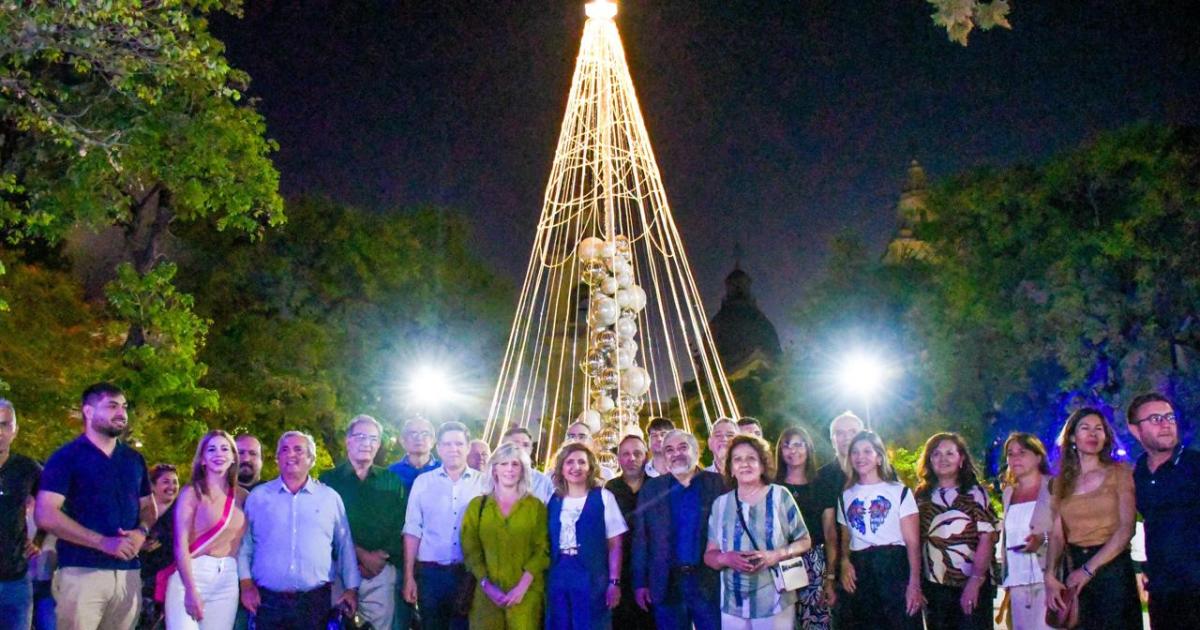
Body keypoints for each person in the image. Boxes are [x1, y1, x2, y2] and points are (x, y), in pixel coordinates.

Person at [35, 383, 156, 630]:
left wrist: (141, 531)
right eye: (112, 406)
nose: (121, 413)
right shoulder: (66, 457)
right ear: (88, 412)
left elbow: (148, 507)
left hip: (128, 574)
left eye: (124, 407)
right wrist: (103, 542)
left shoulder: (133, 460)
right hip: (82, 571)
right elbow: (45, 514)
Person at [237, 431, 359, 629]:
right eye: (284, 450)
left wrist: (352, 589)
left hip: (315, 603)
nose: (290, 454)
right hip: (267, 602)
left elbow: (344, 545)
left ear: (311, 459)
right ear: (277, 459)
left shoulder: (329, 498)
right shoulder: (258, 498)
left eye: (298, 450)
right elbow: (245, 547)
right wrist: (246, 585)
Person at [1043, 408, 1139, 630]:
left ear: (1106, 437)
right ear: (1072, 437)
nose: (1092, 434)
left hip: (1111, 567)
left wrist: (1088, 570)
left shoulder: (1119, 472)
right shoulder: (1060, 483)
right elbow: (1057, 535)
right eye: (1085, 428)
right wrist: (1050, 576)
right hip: (1074, 566)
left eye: (1098, 429)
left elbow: (1126, 529)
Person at [705, 435, 811, 629]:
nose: (744, 464)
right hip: (733, 604)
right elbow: (709, 555)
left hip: (775, 600)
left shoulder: (780, 496)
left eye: (751, 458)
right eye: (737, 459)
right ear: (730, 468)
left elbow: (804, 540)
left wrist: (776, 555)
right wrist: (725, 559)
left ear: (762, 465)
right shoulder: (720, 504)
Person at [319, 415, 407, 630]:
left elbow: (401, 523)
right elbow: (323, 527)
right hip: (338, 571)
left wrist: (378, 557)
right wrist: (359, 557)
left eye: (373, 438)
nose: (367, 443)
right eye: (360, 437)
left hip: (379, 571)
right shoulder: (328, 481)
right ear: (348, 440)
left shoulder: (391, 481)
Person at [631, 430, 725, 630]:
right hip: (666, 583)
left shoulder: (718, 484)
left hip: (708, 582)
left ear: (696, 451)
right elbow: (641, 538)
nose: (676, 454)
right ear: (664, 457)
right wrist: (640, 582)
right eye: (669, 450)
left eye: (683, 447)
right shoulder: (651, 489)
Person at [1127, 392, 1200, 629]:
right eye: (1155, 419)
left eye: (1169, 417)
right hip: (1163, 593)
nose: (1166, 424)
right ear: (1135, 430)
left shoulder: (1194, 465)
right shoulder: (1138, 473)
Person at [835, 430, 922, 629]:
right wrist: (845, 561)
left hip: (893, 567)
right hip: (861, 570)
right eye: (855, 452)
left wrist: (914, 583)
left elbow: (913, 543)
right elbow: (845, 537)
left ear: (879, 457)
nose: (860, 457)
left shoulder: (899, 492)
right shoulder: (845, 495)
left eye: (867, 451)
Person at [460, 442, 549, 629]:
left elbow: (543, 549)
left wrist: (522, 587)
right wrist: (486, 585)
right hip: (486, 594)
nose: (509, 469)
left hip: (526, 594)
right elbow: (470, 548)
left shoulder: (536, 506)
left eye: (515, 464)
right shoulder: (478, 506)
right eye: (503, 463)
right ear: (494, 469)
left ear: (523, 470)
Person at [402, 421, 481, 630]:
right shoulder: (423, 483)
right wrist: (409, 576)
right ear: (438, 448)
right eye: (446, 444)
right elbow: (412, 529)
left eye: (458, 443)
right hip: (430, 575)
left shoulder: (483, 484)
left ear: (468, 447)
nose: (453, 449)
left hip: (468, 574)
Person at [164, 431, 247, 630]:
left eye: (225, 448)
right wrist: (191, 590)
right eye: (211, 449)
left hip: (227, 578)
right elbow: (180, 543)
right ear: (202, 459)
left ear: (234, 457)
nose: (219, 454)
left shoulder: (243, 496)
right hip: (192, 575)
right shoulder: (192, 492)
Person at [914, 433, 997, 630]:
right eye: (936, 454)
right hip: (934, 586)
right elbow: (915, 540)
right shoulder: (921, 496)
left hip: (971, 583)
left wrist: (975, 581)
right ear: (929, 460)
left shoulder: (975, 493)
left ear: (961, 459)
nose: (943, 459)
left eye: (950, 453)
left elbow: (987, 538)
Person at [545, 442, 626, 629]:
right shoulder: (554, 501)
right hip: (558, 573)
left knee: (591, 623)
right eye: (570, 462)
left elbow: (615, 544)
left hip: (592, 575)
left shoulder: (604, 497)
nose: (576, 467)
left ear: (590, 468)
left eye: (582, 462)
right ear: (561, 468)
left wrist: (614, 581)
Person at [775, 426, 830, 629]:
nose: (793, 450)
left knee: (815, 620)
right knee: (783, 622)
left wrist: (830, 575)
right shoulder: (773, 486)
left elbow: (829, 530)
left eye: (799, 444)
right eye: (786, 446)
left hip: (814, 561)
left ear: (808, 448)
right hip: (780, 560)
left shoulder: (820, 484)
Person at [998, 432, 1053, 630]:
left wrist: (1042, 539)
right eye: (1010, 454)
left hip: (1047, 578)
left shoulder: (1054, 487)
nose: (1015, 458)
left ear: (1038, 456)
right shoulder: (1008, 493)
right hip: (1017, 579)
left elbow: (1066, 529)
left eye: (1022, 452)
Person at [815, 411, 865, 613]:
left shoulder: (880, 473)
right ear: (832, 439)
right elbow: (828, 532)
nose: (846, 438)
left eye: (852, 432)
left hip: (878, 563)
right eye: (840, 433)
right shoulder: (822, 477)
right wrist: (830, 576)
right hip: (839, 566)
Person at [604, 435, 653, 628]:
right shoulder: (610, 489)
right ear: (618, 459)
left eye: (637, 453)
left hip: (649, 567)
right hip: (619, 567)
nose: (631, 458)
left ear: (646, 456)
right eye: (625, 454)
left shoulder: (656, 486)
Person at [0, 399, 41, 630]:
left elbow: (54, 505)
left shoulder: (26, 468)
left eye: (5, 425)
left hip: (15, 580)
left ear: (15, 431)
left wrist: (40, 540)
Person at [139, 464, 180, 629]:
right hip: (140, 577)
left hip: (170, 580)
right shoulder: (141, 510)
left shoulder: (182, 510)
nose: (172, 487)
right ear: (153, 486)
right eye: (166, 482)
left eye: (175, 482)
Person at [501, 426, 554, 502]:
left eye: (526, 445)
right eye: (515, 444)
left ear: (531, 449)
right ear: (502, 447)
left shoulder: (543, 482)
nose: (521, 448)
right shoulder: (489, 477)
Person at [389, 417, 441, 489]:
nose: (419, 438)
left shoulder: (445, 471)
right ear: (403, 440)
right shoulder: (391, 472)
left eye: (425, 433)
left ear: (433, 441)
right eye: (413, 433)